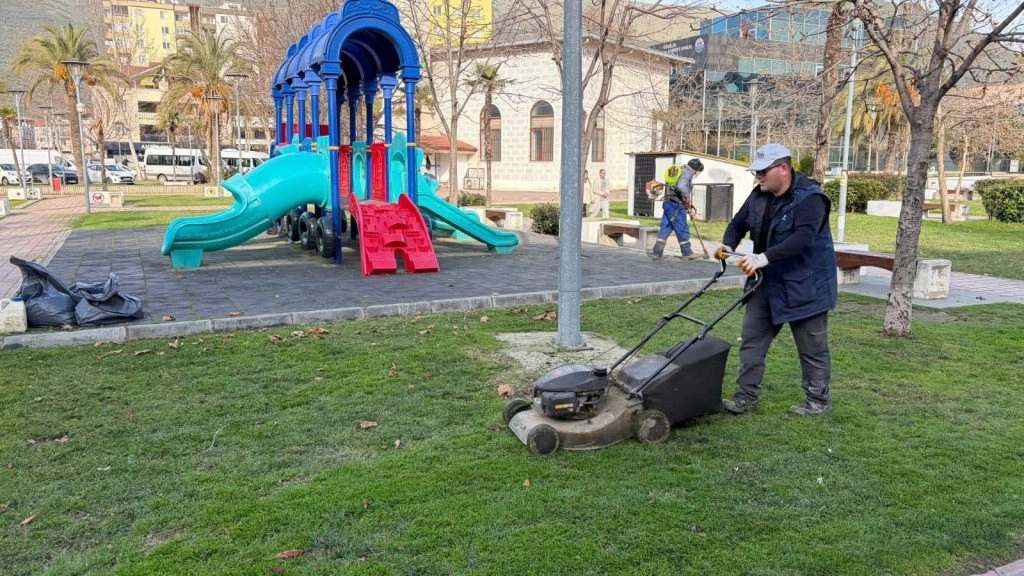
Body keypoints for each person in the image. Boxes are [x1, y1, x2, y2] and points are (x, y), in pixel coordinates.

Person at [716, 143, 838, 417]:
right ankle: (746, 398)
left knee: (812, 349)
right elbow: (738, 223)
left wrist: (765, 257)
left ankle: (818, 402)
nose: (758, 176)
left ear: (783, 168)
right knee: (752, 340)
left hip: (806, 286)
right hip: (766, 283)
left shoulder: (811, 199)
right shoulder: (759, 195)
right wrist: (727, 244)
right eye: (756, 171)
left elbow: (803, 238)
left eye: (763, 171)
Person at [651, 158, 704, 260]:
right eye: (697, 172)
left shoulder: (677, 170)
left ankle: (657, 253)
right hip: (676, 206)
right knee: (682, 228)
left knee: (665, 228)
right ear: (695, 169)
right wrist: (687, 200)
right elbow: (681, 186)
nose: (696, 174)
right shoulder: (687, 173)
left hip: (668, 203)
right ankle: (687, 253)